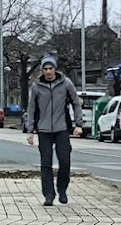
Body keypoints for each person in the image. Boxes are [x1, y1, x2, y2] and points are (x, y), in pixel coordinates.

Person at [24, 55, 83, 206]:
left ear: (55, 69)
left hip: (61, 128)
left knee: (64, 161)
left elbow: (76, 103)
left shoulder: (65, 83)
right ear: (42, 70)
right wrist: (30, 131)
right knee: (46, 163)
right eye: (45, 69)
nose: (48, 71)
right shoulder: (36, 86)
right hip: (43, 130)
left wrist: (78, 124)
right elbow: (31, 109)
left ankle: (62, 189)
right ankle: (49, 195)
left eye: (51, 68)